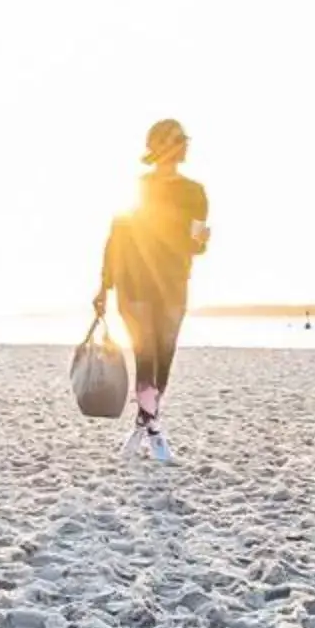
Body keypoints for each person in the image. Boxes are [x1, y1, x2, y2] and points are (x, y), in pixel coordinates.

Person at [93, 118, 209, 463]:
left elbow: (194, 246)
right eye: (178, 139)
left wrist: (200, 242)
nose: (185, 145)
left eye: (185, 139)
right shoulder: (139, 187)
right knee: (146, 356)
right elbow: (116, 238)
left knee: (164, 359)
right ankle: (155, 433)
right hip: (135, 284)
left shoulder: (195, 192)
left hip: (173, 283)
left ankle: (142, 426)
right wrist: (103, 286)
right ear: (162, 145)